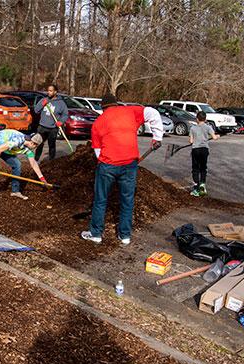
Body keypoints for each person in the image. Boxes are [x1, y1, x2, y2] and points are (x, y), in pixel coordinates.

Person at [80, 93, 163, 246]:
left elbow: (98, 152)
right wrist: (157, 136)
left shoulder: (98, 123)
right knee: (127, 200)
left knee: (100, 200)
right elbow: (153, 113)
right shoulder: (130, 111)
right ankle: (125, 236)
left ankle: (96, 234)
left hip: (107, 165)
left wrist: (109, 161)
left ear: (102, 107)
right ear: (116, 103)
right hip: (129, 164)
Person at [33, 84, 68, 161]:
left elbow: (65, 115)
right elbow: (36, 110)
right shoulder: (44, 100)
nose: (48, 92)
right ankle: (36, 160)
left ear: (55, 92)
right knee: (39, 144)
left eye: (51, 91)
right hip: (42, 126)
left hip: (53, 128)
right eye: (48, 90)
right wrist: (42, 104)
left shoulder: (61, 103)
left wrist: (61, 121)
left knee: (51, 145)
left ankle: (51, 161)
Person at [189, 111, 219, 197]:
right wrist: (217, 136)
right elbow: (214, 137)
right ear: (205, 119)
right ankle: (202, 185)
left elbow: (191, 141)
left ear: (197, 119)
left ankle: (196, 188)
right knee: (203, 168)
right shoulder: (208, 127)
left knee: (195, 168)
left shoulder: (192, 128)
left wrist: (195, 140)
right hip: (204, 150)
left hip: (195, 150)